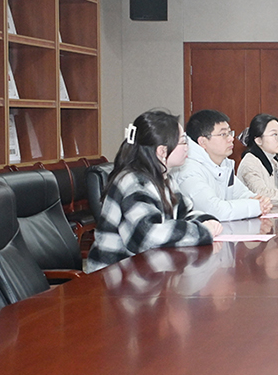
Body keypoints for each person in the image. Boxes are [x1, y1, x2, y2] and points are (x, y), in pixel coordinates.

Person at [87, 109, 223, 272]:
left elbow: (184, 213)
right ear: (162, 151)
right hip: (113, 274)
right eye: (183, 141)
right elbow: (148, 236)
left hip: (143, 270)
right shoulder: (134, 182)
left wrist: (207, 221)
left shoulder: (164, 178)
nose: (187, 147)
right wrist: (201, 231)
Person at [173, 109, 272, 221]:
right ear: (203, 142)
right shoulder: (188, 171)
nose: (231, 139)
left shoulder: (224, 165)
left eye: (230, 133)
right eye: (223, 134)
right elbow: (215, 211)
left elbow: (244, 195)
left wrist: (261, 202)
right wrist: (255, 206)